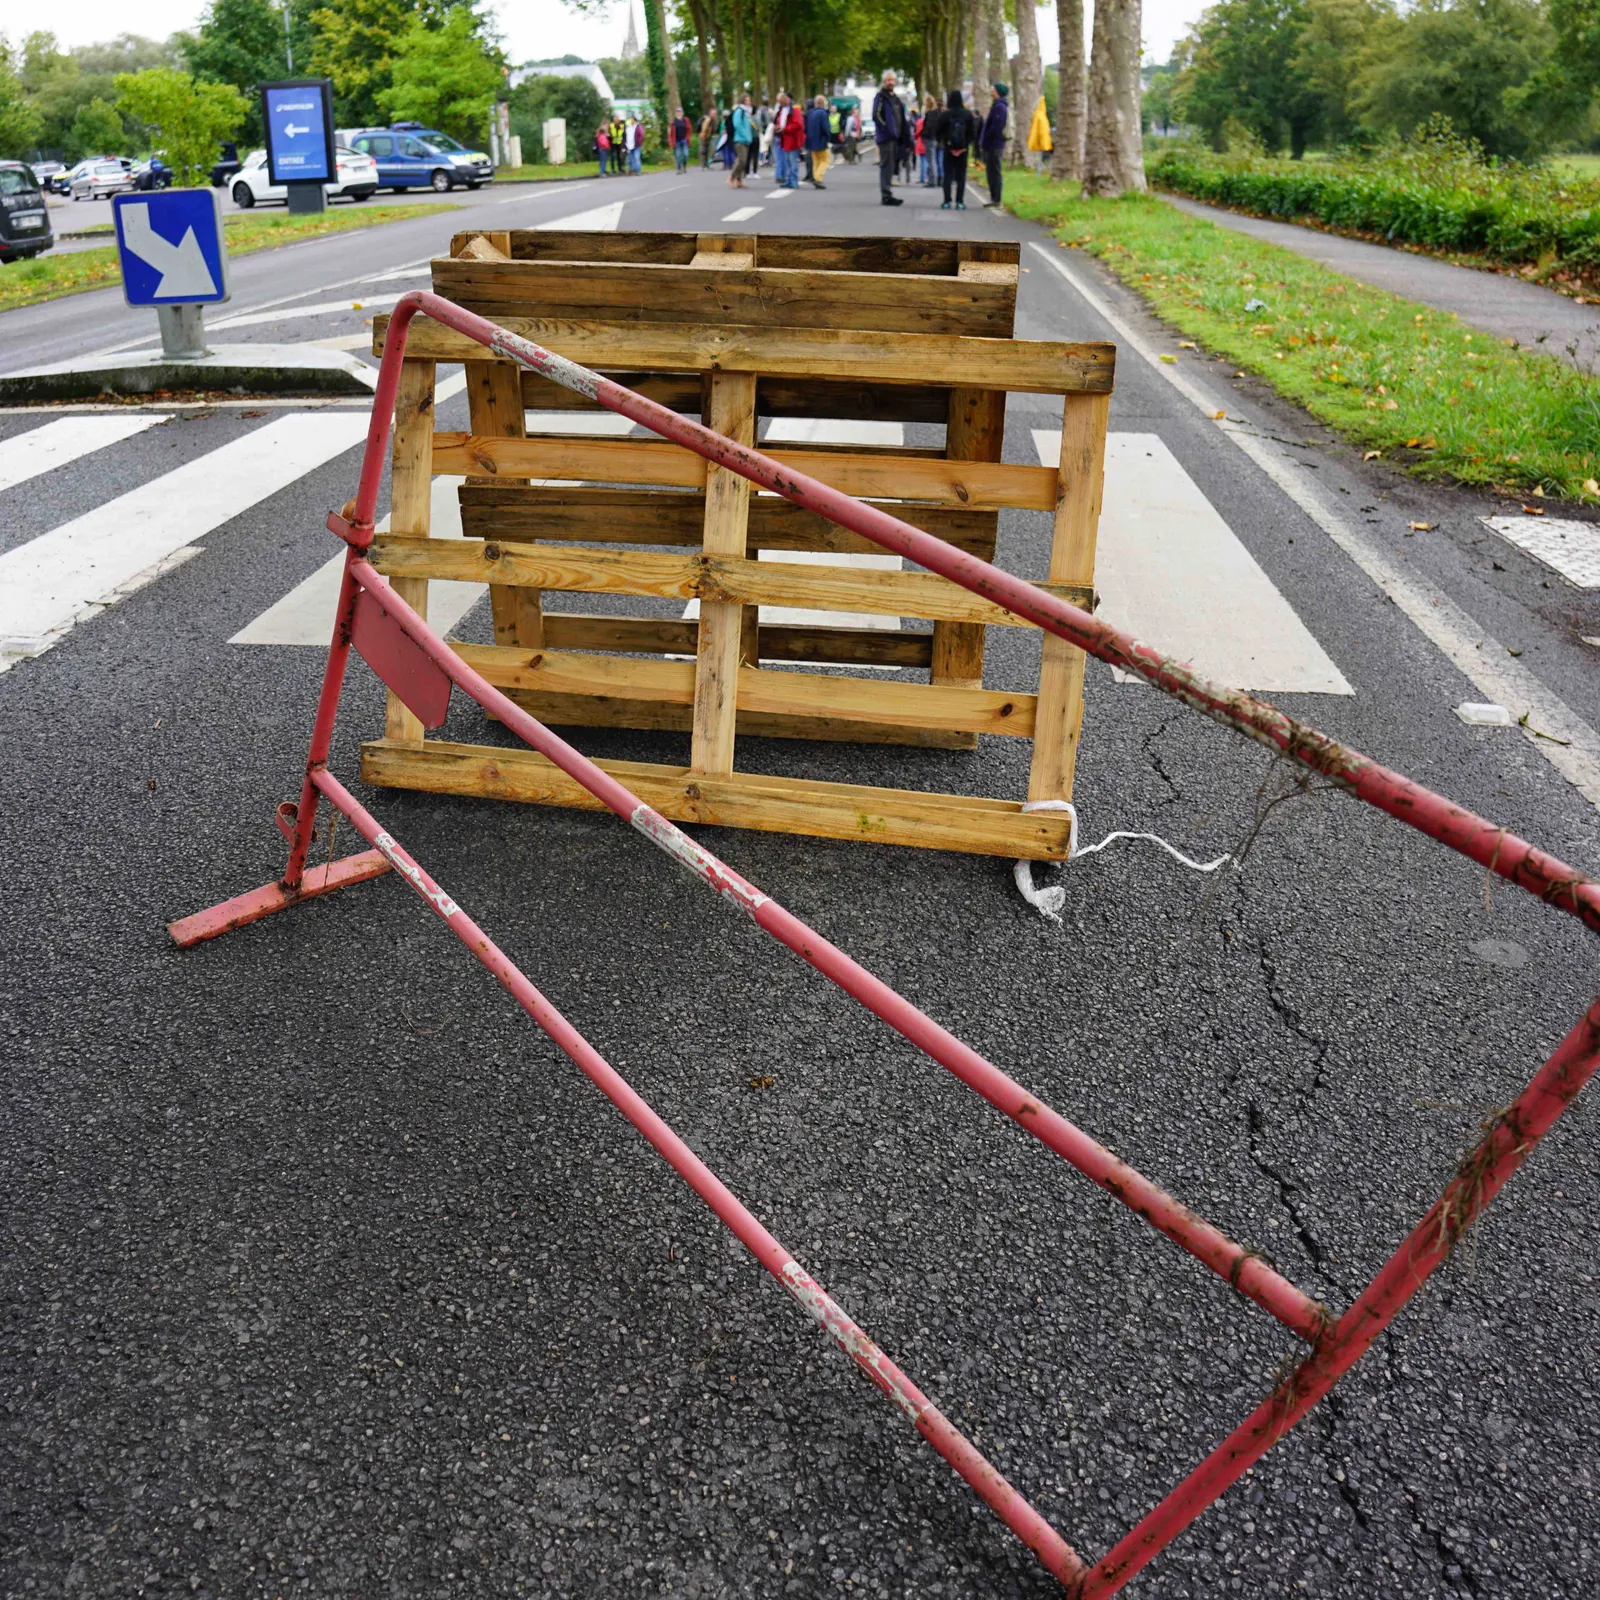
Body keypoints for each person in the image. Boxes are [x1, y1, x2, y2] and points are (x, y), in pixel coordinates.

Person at [871, 71, 908, 206]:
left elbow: (901, 118)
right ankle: (886, 195)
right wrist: (887, 129)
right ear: (884, 81)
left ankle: (888, 193)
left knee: (892, 165)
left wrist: (904, 136)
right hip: (886, 138)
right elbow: (876, 115)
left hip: (896, 138)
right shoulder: (881, 97)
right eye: (888, 80)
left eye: (892, 80)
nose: (891, 82)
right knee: (887, 165)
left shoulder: (896, 99)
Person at [938, 88, 976, 210]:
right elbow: (973, 133)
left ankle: (947, 201)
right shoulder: (968, 114)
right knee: (961, 176)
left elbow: (938, 132)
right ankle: (960, 202)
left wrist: (945, 144)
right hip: (963, 150)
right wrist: (965, 146)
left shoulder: (945, 115)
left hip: (948, 150)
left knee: (947, 175)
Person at [978, 82, 1008, 206]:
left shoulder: (999, 107)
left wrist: (987, 137)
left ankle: (997, 199)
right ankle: (994, 198)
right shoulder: (997, 106)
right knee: (991, 172)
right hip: (992, 144)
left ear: (998, 92)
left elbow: (996, 126)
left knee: (994, 171)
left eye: (994, 90)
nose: (992, 92)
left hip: (994, 145)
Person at [773, 91, 803, 188]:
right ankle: (789, 180)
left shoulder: (795, 109)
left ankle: (794, 181)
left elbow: (799, 125)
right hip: (784, 139)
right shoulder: (782, 110)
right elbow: (778, 121)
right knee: (788, 162)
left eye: (781, 102)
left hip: (792, 139)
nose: (780, 104)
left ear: (786, 99)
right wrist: (778, 127)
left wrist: (785, 128)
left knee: (793, 162)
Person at [728, 93, 756, 187]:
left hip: (746, 140)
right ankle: (732, 177)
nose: (749, 102)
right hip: (740, 139)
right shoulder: (740, 111)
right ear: (743, 101)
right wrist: (745, 135)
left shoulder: (747, 112)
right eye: (747, 100)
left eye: (749, 100)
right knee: (742, 160)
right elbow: (737, 125)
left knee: (742, 161)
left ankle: (739, 180)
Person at [804, 93, 831, 188]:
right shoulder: (823, 113)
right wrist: (828, 138)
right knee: (825, 160)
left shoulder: (810, 113)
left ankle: (815, 178)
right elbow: (826, 128)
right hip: (821, 140)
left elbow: (805, 127)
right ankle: (818, 178)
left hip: (811, 141)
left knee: (816, 161)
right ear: (823, 103)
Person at [1026, 93, 1052, 174]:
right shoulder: (1041, 116)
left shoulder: (1038, 116)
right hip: (1042, 141)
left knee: (1042, 157)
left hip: (1040, 140)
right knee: (1043, 156)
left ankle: (1040, 169)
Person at [670, 106, 692, 173]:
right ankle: (679, 168)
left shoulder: (685, 120)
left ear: (682, 113)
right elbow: (671, 133)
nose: (679, 113)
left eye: (680, 112)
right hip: (677, 141)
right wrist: (671, 142)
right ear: (676, 113)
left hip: (684, 140)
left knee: (686, 154)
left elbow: (689, 129)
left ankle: (684, 166)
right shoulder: (673, 122)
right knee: (678, 155)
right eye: (678, 112)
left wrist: (687, 137)